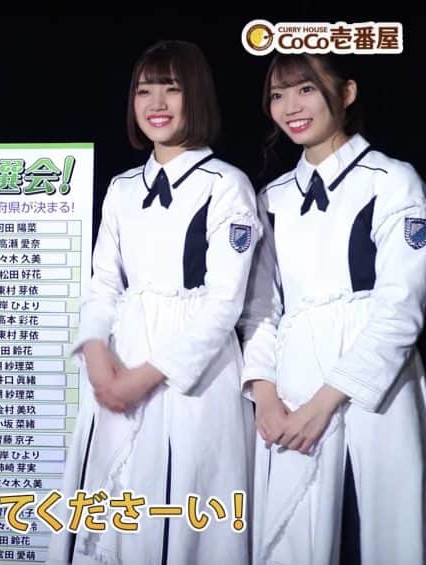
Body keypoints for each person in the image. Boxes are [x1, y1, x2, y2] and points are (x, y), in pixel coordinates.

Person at [48, 39, 259, 565]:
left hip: (193, 378)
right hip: (119, 362)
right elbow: (102, 284)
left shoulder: (226, 185)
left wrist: (144, 377)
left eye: (172, 88)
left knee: (183, 513)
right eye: (145, 91)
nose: (157, 103)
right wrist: (97, 355)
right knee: (114, 515)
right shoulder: (122, 188)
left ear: (197, 96)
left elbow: (224, 302)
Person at [241, 53, 426, 565]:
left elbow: (402, 308)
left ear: (346, 93)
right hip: (291, 384)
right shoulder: (272, 197)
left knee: (374, 532)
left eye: (306, 89)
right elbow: (260, 309)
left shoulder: (392, 180)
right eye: (278, 95)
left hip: (373, 392)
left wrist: (321, 405)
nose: (290, 107)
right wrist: (266, 396)